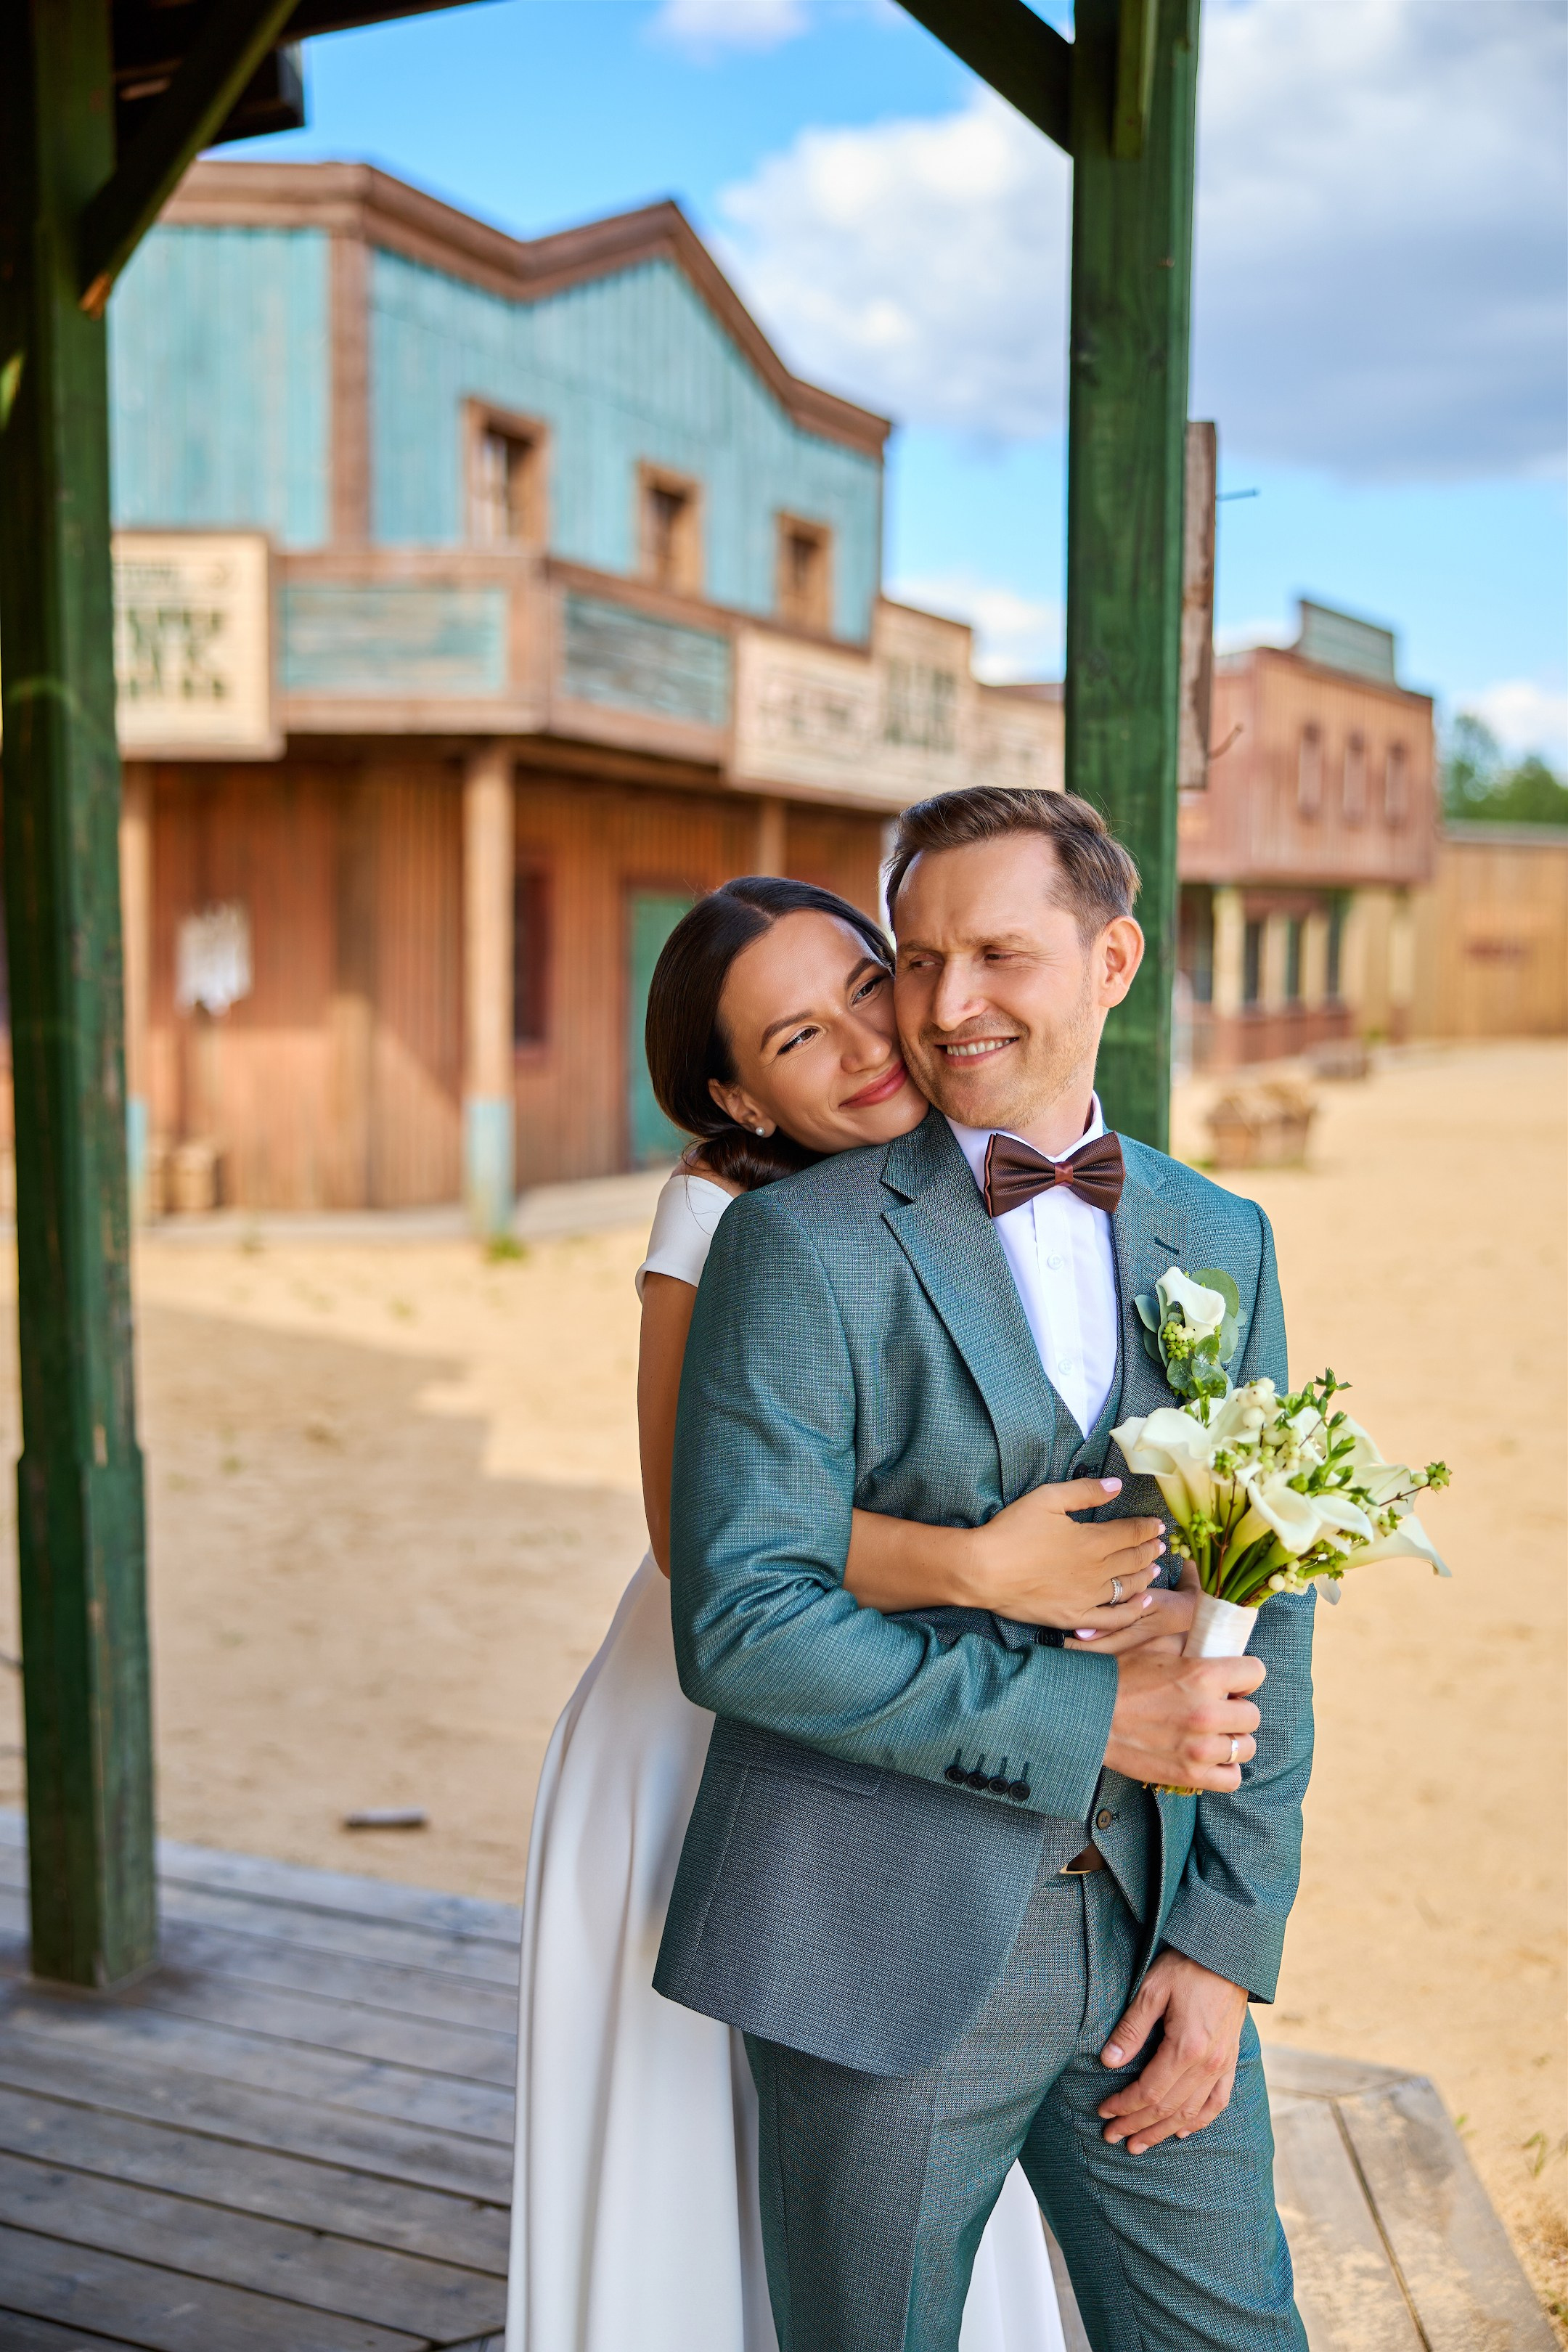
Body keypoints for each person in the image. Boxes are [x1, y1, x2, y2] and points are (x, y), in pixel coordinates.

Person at [657, 787, 1315, 2352]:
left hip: (1158, 1933)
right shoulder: (797, 1246)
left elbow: (1276, 1595)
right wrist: (1090, 1725)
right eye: (919, 956)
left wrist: (1229, 1946)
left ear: (1113, 959)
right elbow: (741, 1621)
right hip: (875, 1938)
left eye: (999, 955)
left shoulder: (1222, 1236)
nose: (947, 1007)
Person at [505, 872, 1192, 2352]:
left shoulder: (982, 1166)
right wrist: (980, 1568)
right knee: (721, 2112)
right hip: (727, 1715)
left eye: (866, 987)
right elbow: (698, 1541)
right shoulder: (716, 1213)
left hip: (933, 1711)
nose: (868, 1043)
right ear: (737, 1101)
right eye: (798, 1040)